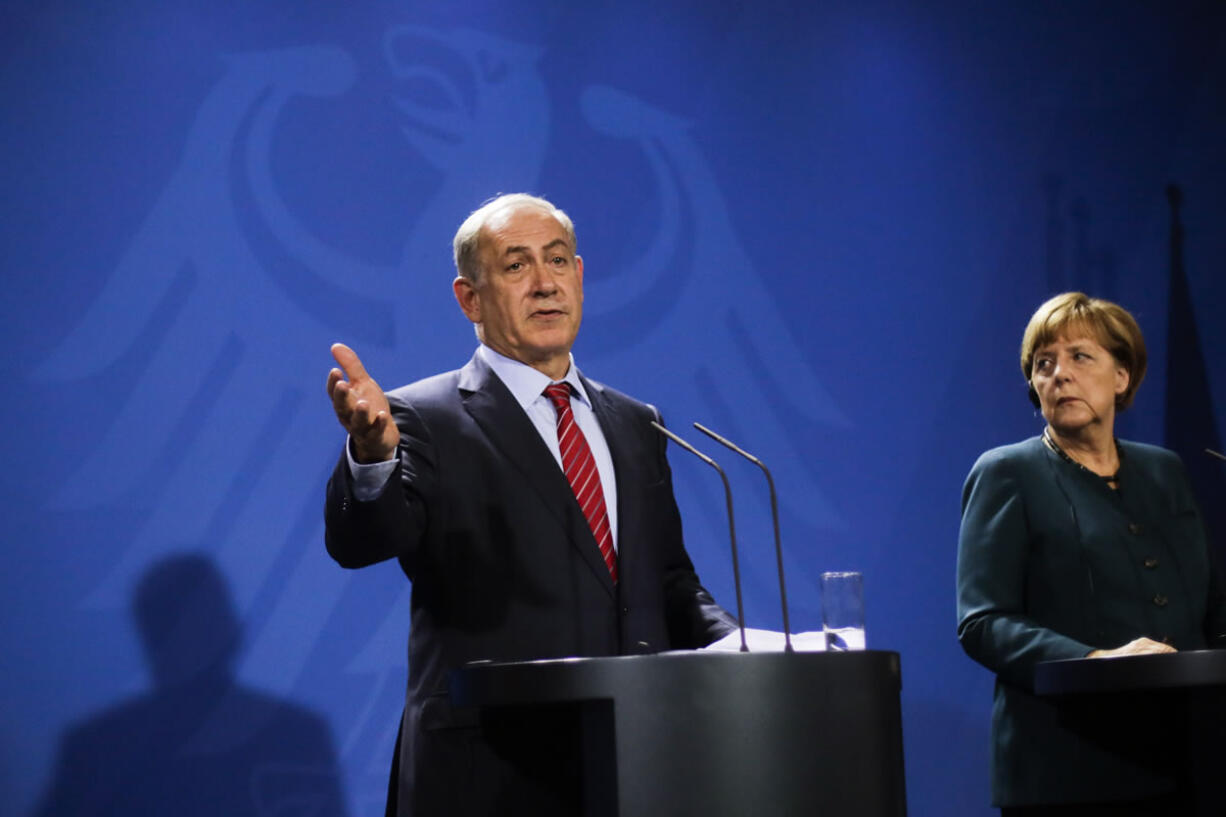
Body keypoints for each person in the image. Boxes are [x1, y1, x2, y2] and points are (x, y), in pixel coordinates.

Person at [324, 193, 737, 816]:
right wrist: (374, 453)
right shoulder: (420, 417)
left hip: (633, 763)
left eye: (559, 260)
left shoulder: (635, 423)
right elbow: (362, 543)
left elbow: (670, 584)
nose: (545, 283)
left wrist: (747, 649)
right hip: (492, 771)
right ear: (469, 298)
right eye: (517, 266)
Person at [956, 291, 1226, 815]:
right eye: (1044, 363)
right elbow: (983, 621)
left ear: (1121, 377)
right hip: (1069, 767)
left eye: (1081, 356)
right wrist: (1095, 661)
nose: (1059, 374)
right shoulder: (1007, 472)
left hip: (1192, 760)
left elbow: (1210, 601)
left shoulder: (1164, 471)